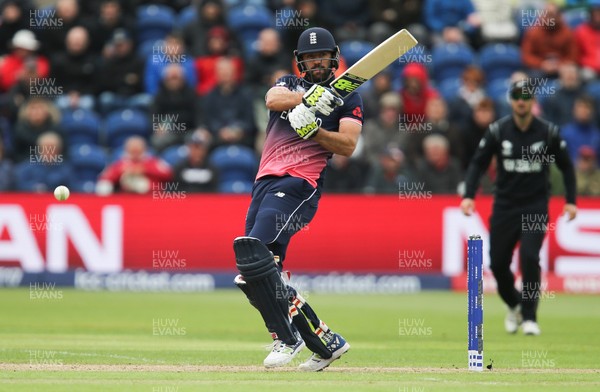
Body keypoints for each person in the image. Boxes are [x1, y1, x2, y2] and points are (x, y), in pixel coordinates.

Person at [233, 27, 362, 371]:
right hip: (264, 182)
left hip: (299, 185)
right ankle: (326, 341)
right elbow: (272, 99)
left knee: (253, 252)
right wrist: (307, 100)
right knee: (253, 272)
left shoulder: (348, 98)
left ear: (333, 58)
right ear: (300, 62)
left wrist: (315, 132)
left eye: (322, 56)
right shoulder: (289, 83)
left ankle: (286, 338)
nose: (316, 62)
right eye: (310, 58)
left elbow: (348, 146)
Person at [460, 79, 577, 336]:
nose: (521, 101)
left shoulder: (548, 132)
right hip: (504, 205)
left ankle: (530, 317)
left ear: (533, 101)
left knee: (530, 257)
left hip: (535, 204)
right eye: (517, 97)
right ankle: (515, 304)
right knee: (498, 264)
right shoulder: (498, 131)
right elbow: (477, 164)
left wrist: (571, 200)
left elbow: (567, 166)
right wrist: (469, 195)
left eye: (526, 97)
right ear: (511, 101)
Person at [96, 136, 172, 195]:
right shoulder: (121, 163)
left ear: (144, 149)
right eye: (133, 150)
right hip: (126, 197)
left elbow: (168, 174)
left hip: (151, 197)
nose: (135, 153)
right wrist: (121, 171)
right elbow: (105, 177)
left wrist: (145, 169)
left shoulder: (153, 162)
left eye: (137, 150)